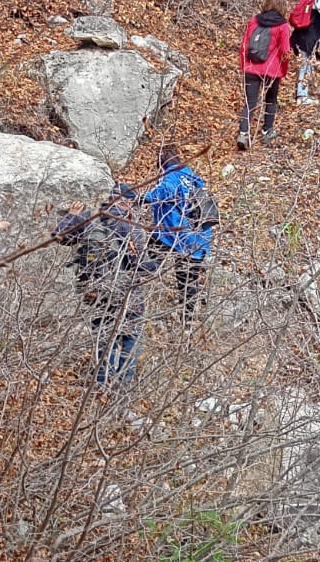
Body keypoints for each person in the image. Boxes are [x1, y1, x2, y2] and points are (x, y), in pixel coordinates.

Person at [54, 185, 159, 386]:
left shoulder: (89, 218)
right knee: (132, 337)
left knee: (102, 336)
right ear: (129, 202)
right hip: (125, 294)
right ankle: (122, 387)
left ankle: (102, 384)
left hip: (94, 292)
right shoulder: (131, 226)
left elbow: (59, 237)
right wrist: (159, 261)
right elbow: (141, 266)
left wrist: (72, 216)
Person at [143, 144, 215, 327]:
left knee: (144, 266)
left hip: (173, 234)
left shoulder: (171, 176)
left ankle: (135, 300)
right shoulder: (193, 177)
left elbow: (157, 195)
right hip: (198, 238)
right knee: (188, 282)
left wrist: (135, 198)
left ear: (161, 162)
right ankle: (187, 324)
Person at [237, 0, 292, 150]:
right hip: (272, 70)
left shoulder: (253, 21)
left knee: (250, 102)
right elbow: (285, 51)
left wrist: (244, 65)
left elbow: (244, 45)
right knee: (271, 100)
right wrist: (283, 70)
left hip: (251, 67)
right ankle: (267, 131)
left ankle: (243, 133)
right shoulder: (283, 26)